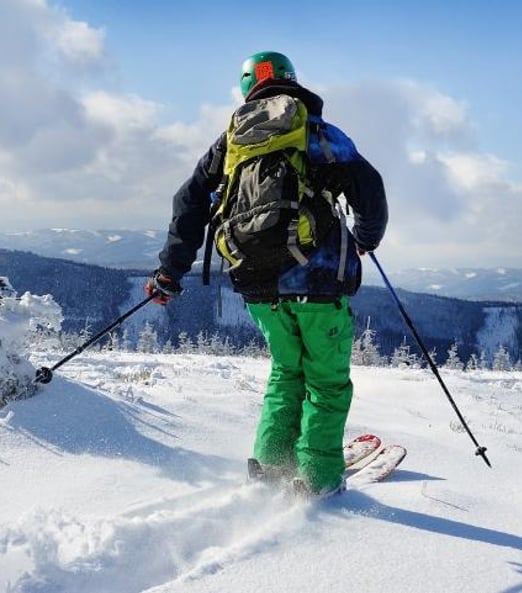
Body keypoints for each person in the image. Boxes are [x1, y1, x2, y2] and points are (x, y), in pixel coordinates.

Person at [147, 51, 388, 498]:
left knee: (285, 372)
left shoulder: (231, 141)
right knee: (327, 384)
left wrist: (170, 272)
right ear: (292, 80)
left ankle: (271, 463)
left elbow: (190, 203)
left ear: (247, 89)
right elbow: (369, 189)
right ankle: (317, 480)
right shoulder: (317, 134)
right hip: (318, 286)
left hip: (257, 285)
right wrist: (365, 238)